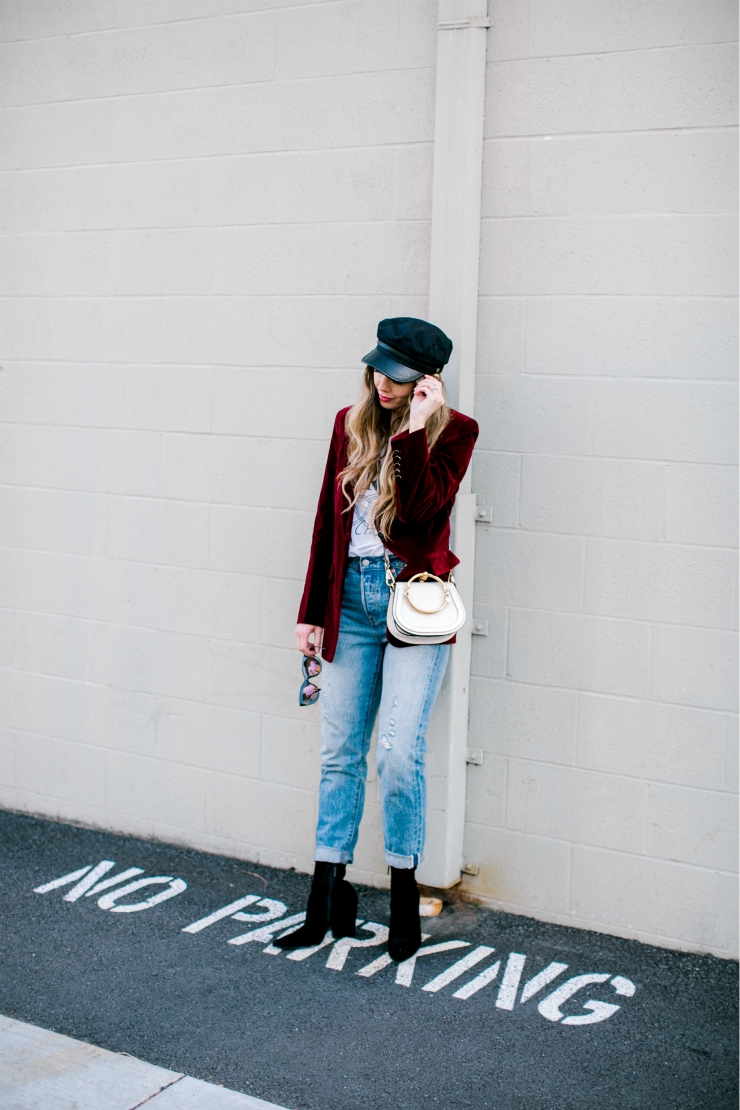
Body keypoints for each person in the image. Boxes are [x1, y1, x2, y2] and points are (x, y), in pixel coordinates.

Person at [276, 317, 478, 962]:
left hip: (411, 604)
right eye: (377, 369)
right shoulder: (349, 423)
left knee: (397, 753)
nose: (381, 384)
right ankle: (326, 902)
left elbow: (421, 514)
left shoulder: (456, 432)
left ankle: (402, 901)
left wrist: (416, 432)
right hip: (350, 604)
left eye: (396, 376)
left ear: (426, 383)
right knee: (340, 752)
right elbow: (324, 524)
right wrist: (312, 611)